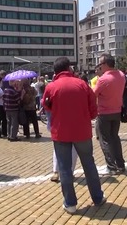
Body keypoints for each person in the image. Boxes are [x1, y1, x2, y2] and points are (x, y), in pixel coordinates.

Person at [42, 57, 105, 214]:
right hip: (82, 131)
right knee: (89, 165)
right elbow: (93, 106)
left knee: (64, 168)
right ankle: (97, 198)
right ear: (69, 68)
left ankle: (70, 203)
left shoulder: (51, 86)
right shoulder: (82, 84)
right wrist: (87, 116)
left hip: (61, 132)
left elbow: (46, 105)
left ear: (55, 71)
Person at [93, 54, 126, 175]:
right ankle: (120, 164)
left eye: (100, 64)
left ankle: (111, 166)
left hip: (104, 113)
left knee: (105, 140)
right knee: (115, 138)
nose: (99, 67)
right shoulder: (121, 75)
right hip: (117, 111)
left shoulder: (103, 79)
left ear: (105, 64)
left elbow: (93, 95)